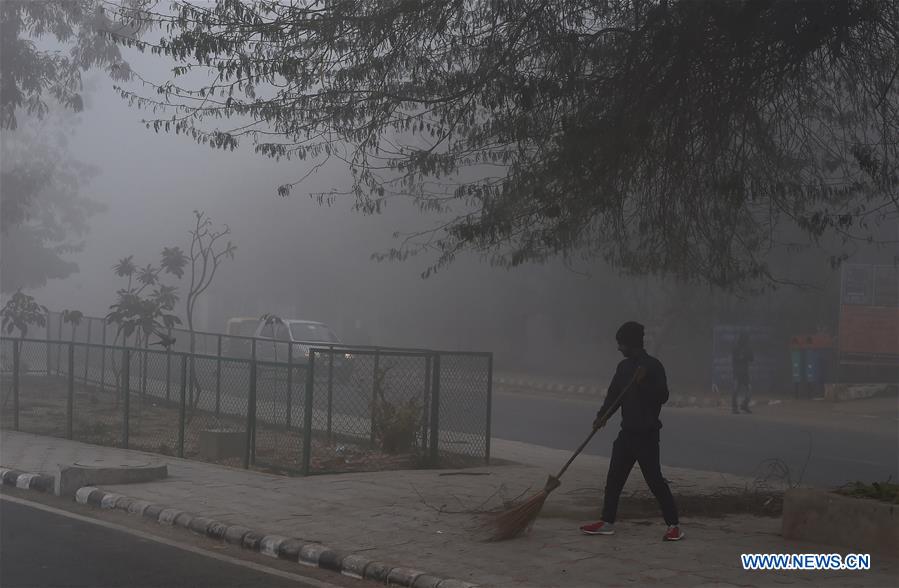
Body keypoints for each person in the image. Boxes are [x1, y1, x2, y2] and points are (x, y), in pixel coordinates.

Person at [579, 321, 683, 541]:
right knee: (614, 479)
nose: (619, 348)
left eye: (621, 344)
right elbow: (614, 396)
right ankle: (607, 522)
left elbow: (663, 396)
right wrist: (602, 416)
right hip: (626, 434)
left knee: (655, 481)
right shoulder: (623, 368)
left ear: (631, 344)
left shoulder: (653, 366)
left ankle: (674, 526)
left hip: (646, 436)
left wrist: (644, 383)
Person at [731, 332, 754, 414]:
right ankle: (734, 407)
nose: (747, 341)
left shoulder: (748, 348)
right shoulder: (736, 347)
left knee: (750, 390)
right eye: (746, 339)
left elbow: (752, 358)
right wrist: (743, 356)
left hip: (745, 373)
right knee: (736, 390)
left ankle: (744, 405)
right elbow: (736, 359)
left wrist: (747, 354)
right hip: (737, 372)